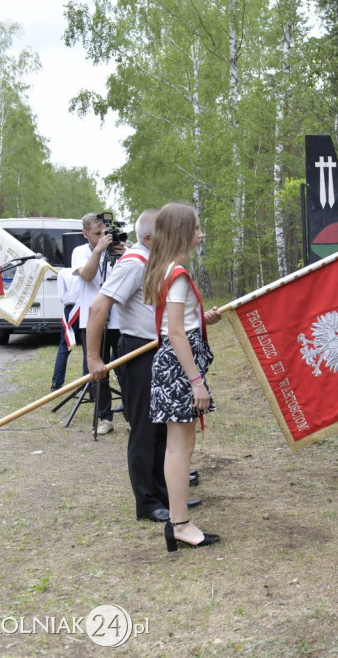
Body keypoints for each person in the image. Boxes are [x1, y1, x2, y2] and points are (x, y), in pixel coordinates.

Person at [86, 210, 211, 523]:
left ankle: (167, 494)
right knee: (144, 429)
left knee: (162, 429)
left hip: (160, 350)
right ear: (149, 238)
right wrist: (93, 357)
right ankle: (147, 501)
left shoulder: (157, 265)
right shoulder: (133, 264)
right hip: (139, 352)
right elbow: (99, 306)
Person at [143, 202, 221, 551]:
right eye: (196, 228)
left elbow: (179, 325)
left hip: (172, 364)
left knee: (180, 446)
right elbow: (175, 333)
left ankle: (179, 522)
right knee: (180, 448)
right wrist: (196, 380)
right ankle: (180, 524)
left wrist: (204, 319)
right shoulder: (177, 275)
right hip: (178, 367)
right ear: (182, 232)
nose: (200, 234)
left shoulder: (165, 269)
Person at [72, 213, 127, 435]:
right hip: (93, 322)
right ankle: (105, 417)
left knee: (126, 370)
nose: (102, 237)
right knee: (99, 371)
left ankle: (132, 415)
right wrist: (98, 250)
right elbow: (87, 275)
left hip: (121, 320)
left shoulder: (120, 249)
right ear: (86, 234)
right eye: (97, 234)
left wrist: (126, 255)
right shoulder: (80, 252)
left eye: (105, 232)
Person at [50, 267, 79, 391]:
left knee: (64, 346)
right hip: (85, 308)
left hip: (70, 309)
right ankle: (88, 380)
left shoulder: (63, 272)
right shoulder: (91, 268)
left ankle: (57, 382)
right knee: (89, 346)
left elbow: (62, 296)